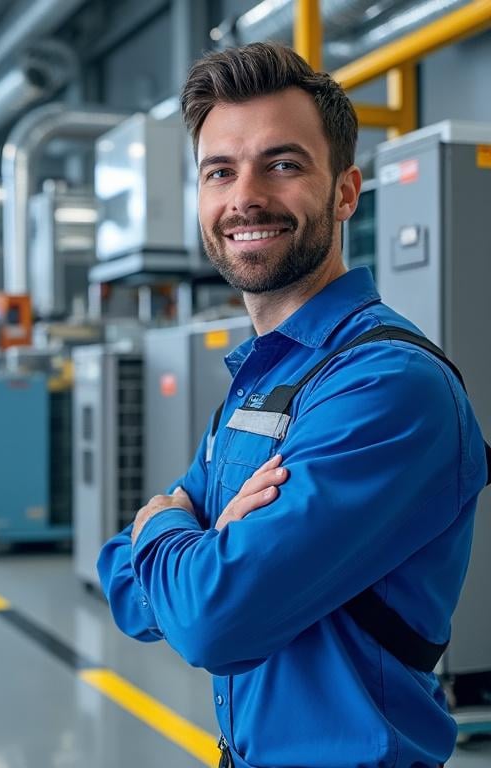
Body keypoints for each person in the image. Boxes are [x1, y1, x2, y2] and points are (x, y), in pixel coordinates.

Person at [98, 42, 488, 768]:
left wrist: (168, 527)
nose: (243, 197)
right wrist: (195, 551)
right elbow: (121, 583)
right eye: (220, 171)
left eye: (282, 164)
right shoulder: (265, 377)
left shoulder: (387, 387)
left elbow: (212, 622)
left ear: (345, 192)